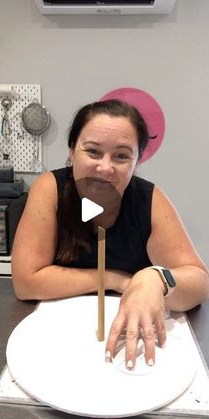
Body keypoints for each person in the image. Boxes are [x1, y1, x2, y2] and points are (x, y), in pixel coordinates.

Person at [12, 99, 209, 370]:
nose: (106, 168)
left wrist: (156, 278)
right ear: (72, 151)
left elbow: (199, 282)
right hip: (60, 345)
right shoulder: (50, 189)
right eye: (92, 151)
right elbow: (26, 282)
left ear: (137, 163)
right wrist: (117, 280)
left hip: (130, 349)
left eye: (121, 156)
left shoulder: (149, 199)